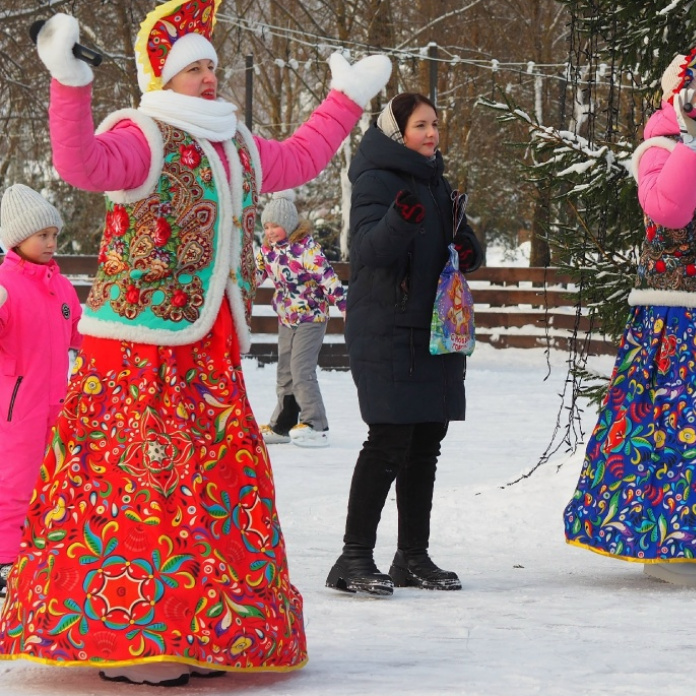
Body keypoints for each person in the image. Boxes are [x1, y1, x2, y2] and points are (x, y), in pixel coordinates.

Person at [0, 5, 390, 686]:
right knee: (139, 496)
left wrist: (344, 100)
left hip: (207, 355)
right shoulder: (142, 133)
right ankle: (136, 641)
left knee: (209, 495)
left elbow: (300, 156)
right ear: (164, 76)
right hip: (137, 355)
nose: (209, 77)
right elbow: (82, 164)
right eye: (194, 68)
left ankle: (205, 628)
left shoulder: (234, 142)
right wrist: (70, 83)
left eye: (212, 64)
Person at [562, 26, 696, 587]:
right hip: (675, 320)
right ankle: (663, 545)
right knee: (673, 428)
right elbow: (671, 211)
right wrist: (692, 143)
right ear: (679, 96)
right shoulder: (659, 148)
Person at [329, 91, 484, 596]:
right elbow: (369, 250)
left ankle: (412, 556)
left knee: (425, 445)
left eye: (435, 124)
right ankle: (353, 558)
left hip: (433, 329)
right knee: (389, 441)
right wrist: (402, 219)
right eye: (421, 125)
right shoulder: (375, 178)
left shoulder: (434, 181)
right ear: (398, 131)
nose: (432, 134)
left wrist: (466, 245)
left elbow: (463, 248)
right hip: (387, 327)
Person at [0, 185, 83, 597]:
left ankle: (45, 551)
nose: (52, 243)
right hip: (16, 407)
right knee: (15, 482)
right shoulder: (5, 286)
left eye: (54, 234)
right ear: (18, 239)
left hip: (58, 402)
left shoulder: (61, 286)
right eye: (42, 236)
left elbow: (81, 333)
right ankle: (5, 560)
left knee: (56, 478)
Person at [255, 190, 347, 448]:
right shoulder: (267, 252)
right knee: (284, 371)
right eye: (267, 226)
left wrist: (343, 305)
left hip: (311, 316)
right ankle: (284, 424)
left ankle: (316, 424)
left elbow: (328, 277)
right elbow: (254, 276)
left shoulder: (306, 249)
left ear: (288, 225)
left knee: (301, 369)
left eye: (276, 226)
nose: (270, 231)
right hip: (287, 317)